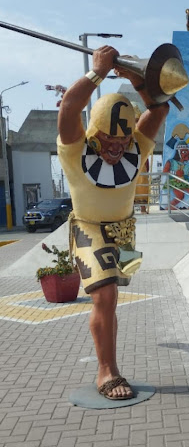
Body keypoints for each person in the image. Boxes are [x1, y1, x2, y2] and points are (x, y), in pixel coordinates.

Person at [57, 46, 169, 400]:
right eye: (108, 138)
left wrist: (138, 79)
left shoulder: (137, 145)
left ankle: (109, 358)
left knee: (113, 297)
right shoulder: (75, 148)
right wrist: (98, 73)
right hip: (87, 228)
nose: (117, 146)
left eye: (122, 138)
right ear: (94, 132)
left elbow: (158, 107)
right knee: (104, 296)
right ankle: (107, 371)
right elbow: (69, 108)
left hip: (126, 230)